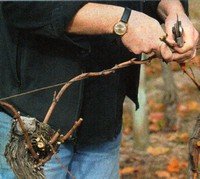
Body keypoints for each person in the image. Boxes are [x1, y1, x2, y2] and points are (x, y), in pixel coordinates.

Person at [0, 1, 198, 178]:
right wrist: (122, 21)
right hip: (29, 119)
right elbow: (21, 5)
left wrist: (174, 11)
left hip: (104, 117)